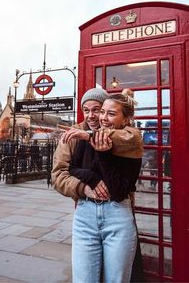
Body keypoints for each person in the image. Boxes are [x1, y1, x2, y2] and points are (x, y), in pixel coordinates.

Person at [52, 88, 144, 283]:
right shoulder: (72, 136)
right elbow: (59, 175)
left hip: (117, 211)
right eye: (86, 110)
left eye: (98, 109)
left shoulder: (124, 134)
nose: (93, 116)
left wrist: (91, 137)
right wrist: (84, 186)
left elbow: (133, 139)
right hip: (85, 211)